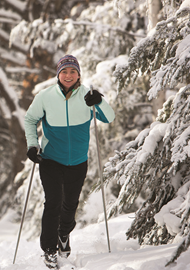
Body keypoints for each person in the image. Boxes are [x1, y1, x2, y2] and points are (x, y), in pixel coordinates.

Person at [24, 55, 115, 269]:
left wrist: (99, 101)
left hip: (77, 161)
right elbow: (30, 119)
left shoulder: (87, 96)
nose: (68, 75)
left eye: (72, 72)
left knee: (70, 205)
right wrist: (31, 145)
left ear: (78, 75)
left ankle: (63, 234)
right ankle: (49, 250)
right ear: (58, 74)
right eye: (64, 71)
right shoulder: (45, 96)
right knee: (53, 201)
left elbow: (109, 118)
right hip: (51, 159)